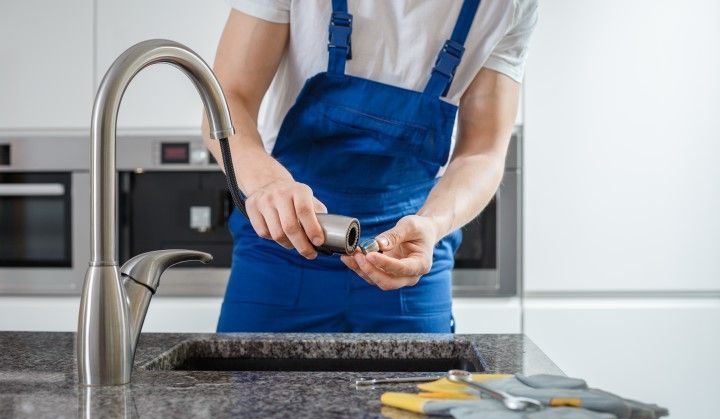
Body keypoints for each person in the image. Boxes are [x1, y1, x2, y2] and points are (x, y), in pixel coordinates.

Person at [203, 0, 538, 333]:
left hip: (406, 254)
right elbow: (229, 98)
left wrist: (431, 226)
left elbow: (482, 153)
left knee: (421, 386)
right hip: (282, 242)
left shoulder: (509, 5)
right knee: (252, 385)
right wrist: (266, 184)